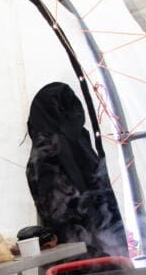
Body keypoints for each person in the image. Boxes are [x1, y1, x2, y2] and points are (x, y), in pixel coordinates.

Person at [25, 82, 128, 260]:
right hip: (106, 242)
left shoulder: (46, 150)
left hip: (80, 250)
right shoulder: (80, 140)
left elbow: (57, 210)